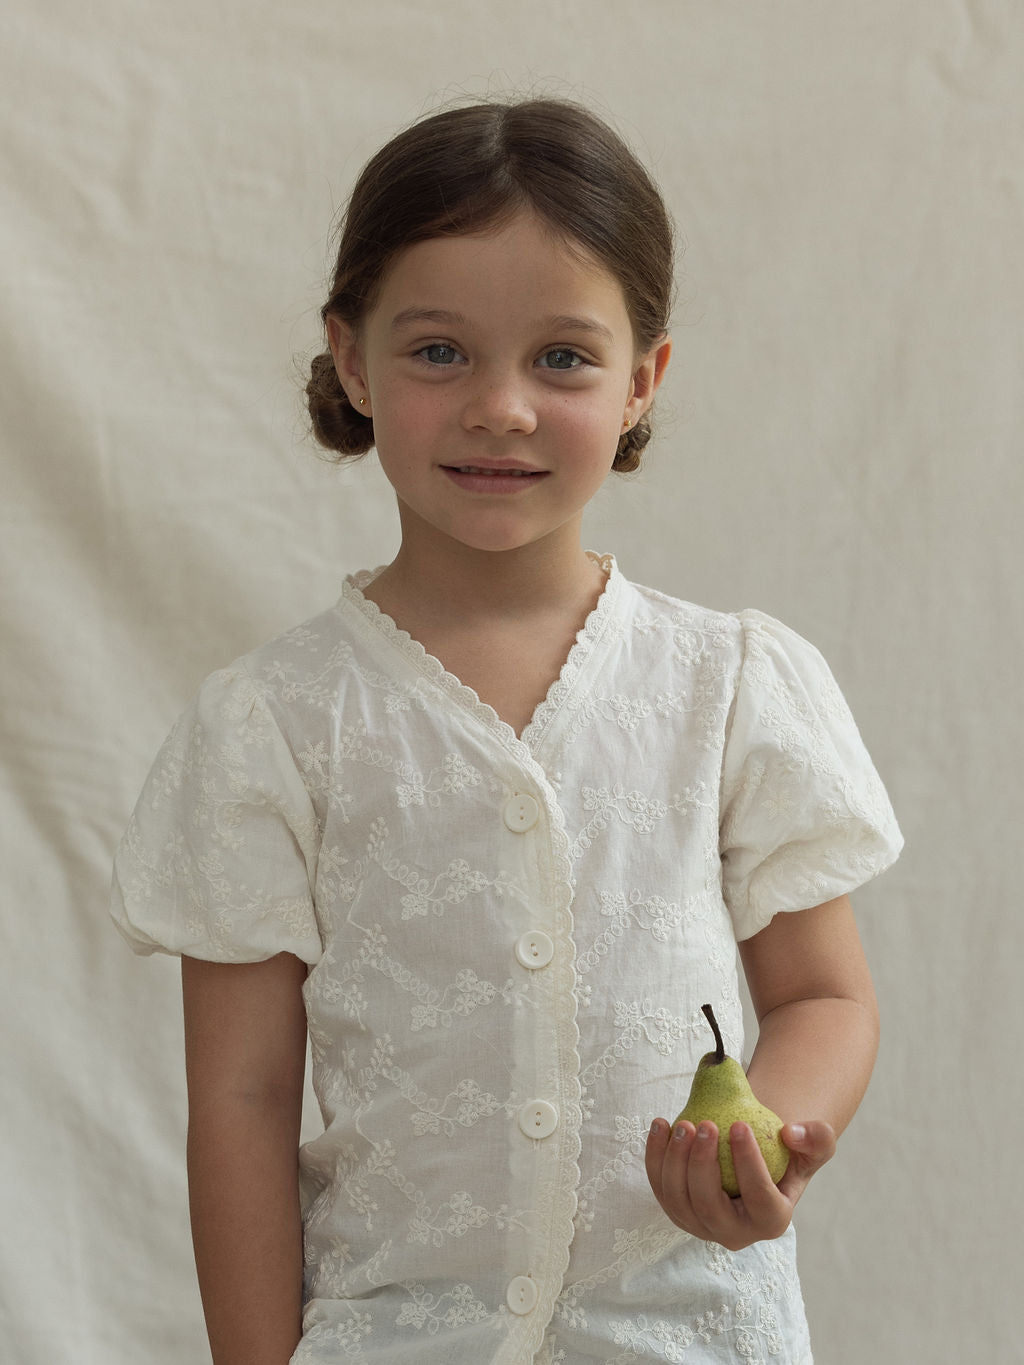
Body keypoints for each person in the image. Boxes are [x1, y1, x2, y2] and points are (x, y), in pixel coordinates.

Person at [111, 97, 902, 1365]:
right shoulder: (273, 725)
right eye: (437, 352)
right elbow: (245, 1103)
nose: (501, 407)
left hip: (692, 1336)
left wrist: (774, 1134)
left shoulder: (730, 683)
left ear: (643, 379)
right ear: (352, 359)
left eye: (562, 359)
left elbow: (823, 996)